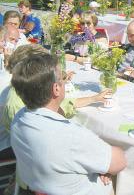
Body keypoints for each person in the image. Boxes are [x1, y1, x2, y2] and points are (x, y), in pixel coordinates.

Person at [10, 53, 126, 194]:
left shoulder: (20, 118)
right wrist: (105, 165)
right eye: (62, 78)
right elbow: (120, 162)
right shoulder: (69, 135)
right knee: (128, 175)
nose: (65, 81)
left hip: (40, 186)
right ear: (56, 89)